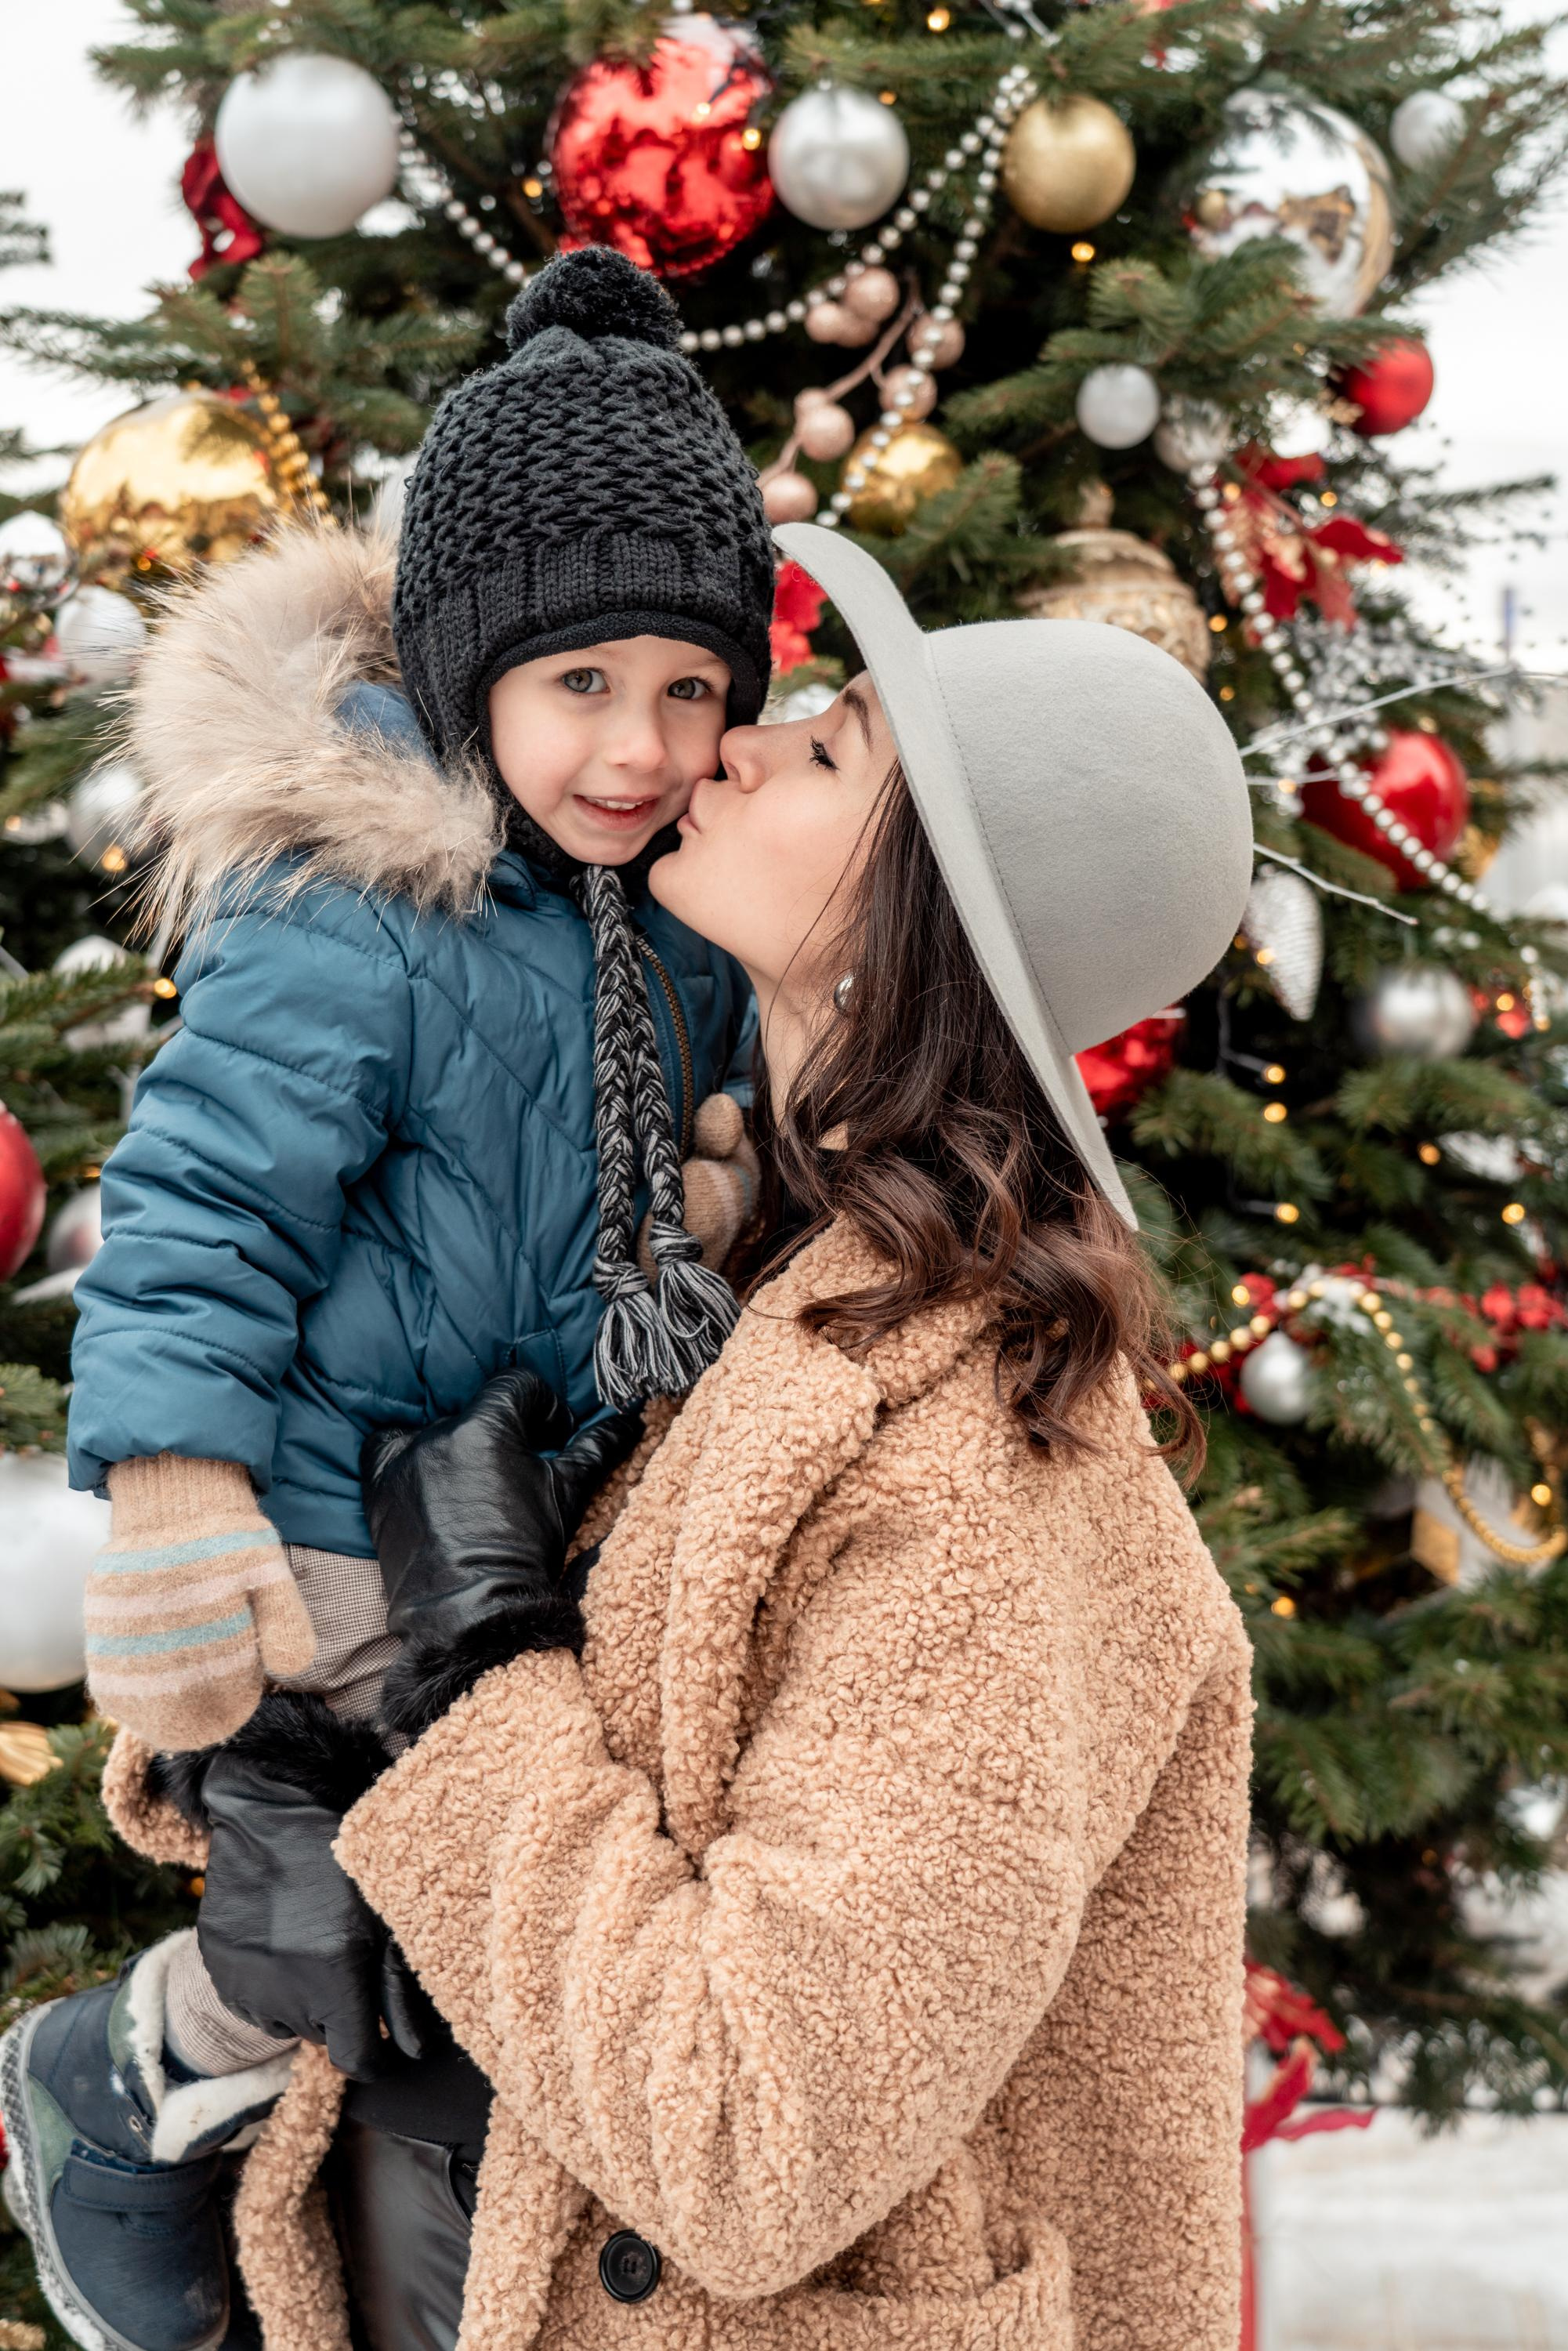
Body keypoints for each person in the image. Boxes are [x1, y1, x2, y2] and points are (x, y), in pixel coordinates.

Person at [132, 520, 1258, 2351]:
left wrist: (480, 1669)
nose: (726, 741)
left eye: (822, 750)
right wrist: (270, 1780)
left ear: (920, 918)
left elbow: (745, 2133)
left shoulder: (997, 1468)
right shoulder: (732, 1274)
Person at [0, 248, 770, 2351]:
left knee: (491, 1938)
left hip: (532, 1522)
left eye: (690, 687)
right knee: (347, 1926)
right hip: (338, 1526)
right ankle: (133, 2068)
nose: (638, 745)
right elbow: (197, 1209)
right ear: (463, 675)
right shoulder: (360, 903)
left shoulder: (678, 917)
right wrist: (168, 1495)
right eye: (582, 685)